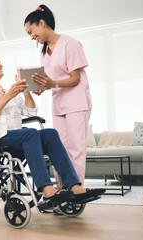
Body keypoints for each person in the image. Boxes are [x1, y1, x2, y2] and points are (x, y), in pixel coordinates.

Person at [0, 52, 102, 210]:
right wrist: (9, 96)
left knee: (50, 133)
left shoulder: (7, 90)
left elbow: (31, 112)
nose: (0, 64)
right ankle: (46, 189)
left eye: (0, 61)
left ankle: (74, 186)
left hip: (17, 136)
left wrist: (25, 90)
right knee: (29, 133)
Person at [24, 5, 92, 188]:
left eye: (31, 31)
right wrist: (42, 87)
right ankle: (62, 189)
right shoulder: (43, 51)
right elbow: (51, 79)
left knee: (76, 149)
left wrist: (52, 84)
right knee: (59, 150)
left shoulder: (70, 43)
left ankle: (76, 193)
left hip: (77, 102)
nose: (31, 37)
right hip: (59, 104)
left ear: (42, 23)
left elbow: (75, 78)